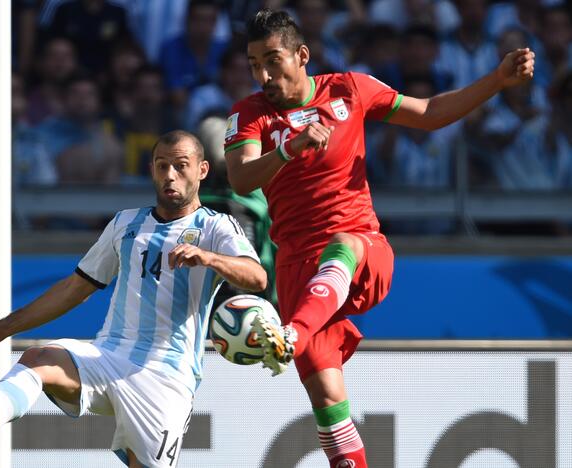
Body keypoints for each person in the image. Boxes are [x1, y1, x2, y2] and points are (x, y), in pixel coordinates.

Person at [224, 9, 535, 467]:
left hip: (362, 248)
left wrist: (495, 81)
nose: (264, 74)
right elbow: (241, 177)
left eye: (273, 60)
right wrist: (289, 149)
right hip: (296, 269)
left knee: (343, 245)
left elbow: (428, 114)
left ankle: (293, 333)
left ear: (302, 55)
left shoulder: (350, 88)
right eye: (254, 64)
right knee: (331, 414)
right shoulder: (250, 113)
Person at [0, 130, 267, 467]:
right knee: (38, 357)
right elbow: (75, 288)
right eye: (162, 165)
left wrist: (209, 258)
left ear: (202, 170)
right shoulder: (126, 224)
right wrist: (2, 329)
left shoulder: (215, 227)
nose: (170, 175)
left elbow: (257, 277)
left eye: (180, 165)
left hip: (165, 377)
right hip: (109, 354)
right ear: (152, 169)